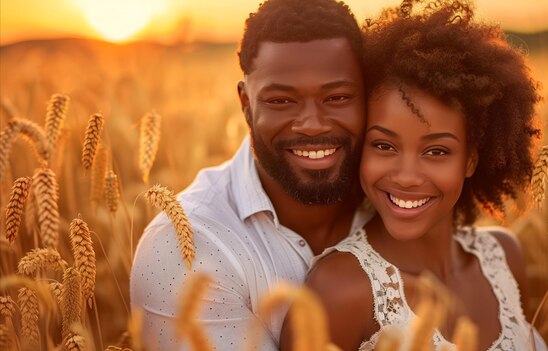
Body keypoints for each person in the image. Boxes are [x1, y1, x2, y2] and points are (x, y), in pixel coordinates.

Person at [281, 0, 548, 350]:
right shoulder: (339, 290)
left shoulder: (504, 256)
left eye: (436, 151)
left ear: (470, 160)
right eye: (384, 146)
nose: (407, 176)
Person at [130, 0, 374, 349]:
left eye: (337, 97)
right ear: (246, 104)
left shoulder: (405, 202)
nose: (311, 125)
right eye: (281, 101)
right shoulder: (187, 246)